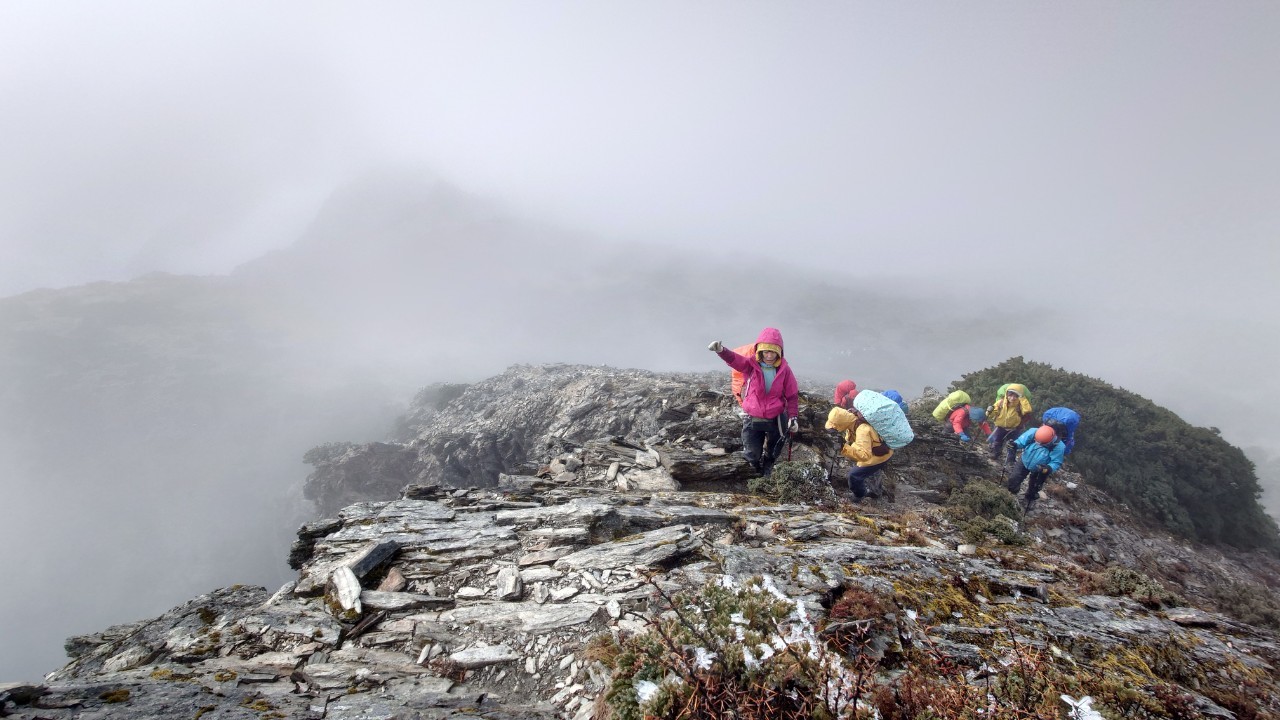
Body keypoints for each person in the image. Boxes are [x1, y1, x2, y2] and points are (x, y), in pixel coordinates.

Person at [708, 327, 799, 477]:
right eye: (765, 351)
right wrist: (721, 350)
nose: (769, 356)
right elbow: (734, 360)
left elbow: (792, 395)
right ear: (759, 351)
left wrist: (793, 417)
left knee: (773, 449)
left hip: (775, 417)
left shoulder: (785, 370)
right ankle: (755, 468)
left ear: (779, 352)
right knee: (752, 453)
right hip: (752, 416)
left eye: (773, 351)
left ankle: (768, 464)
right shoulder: (750, 365)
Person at [825, 404, 893, 501]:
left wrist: (843, 448)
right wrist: (844, 444)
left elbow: (865, 455)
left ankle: (859, 495)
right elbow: (851, 441)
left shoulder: (862, 429)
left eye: (834, 427)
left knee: (854, 475)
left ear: (841, 424)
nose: (834, 430)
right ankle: (876, 490)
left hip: (880, 455)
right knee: (868, 470)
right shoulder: (852, 421)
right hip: (877, 451)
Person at [1007, 424, 1066, 511]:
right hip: (1025, 460)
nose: (1038, 444)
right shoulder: (1034, 432)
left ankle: (1030, 499)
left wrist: (1049, 468)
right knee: (1014, 478)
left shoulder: (1059, 446)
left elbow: (1056, 462)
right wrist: (1015, 444)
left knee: (1035, 486)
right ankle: (1012, 492)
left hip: (1041, 468)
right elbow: (1022, 441)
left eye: (1041, 443)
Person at [987, 384, 1032, 464]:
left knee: (1011, 444)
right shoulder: (1000, 402)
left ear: (1019, 396)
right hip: (1000, 426)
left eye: (1016, 396)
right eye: (1010, 395)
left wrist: (1022, 398)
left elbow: (1027, 410)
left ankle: (1010, 461)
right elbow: (993, 414)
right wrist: (989, 412)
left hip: (1014, 428)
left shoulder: (1020, 405)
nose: (1012, 398)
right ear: (1006, 395)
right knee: (997, 441)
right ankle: (996, 453)